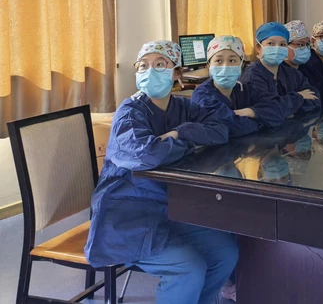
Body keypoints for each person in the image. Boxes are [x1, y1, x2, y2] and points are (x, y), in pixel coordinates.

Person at [85, 41, 240, 304]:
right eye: (143, 66)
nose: (150, 71)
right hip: (127, 214)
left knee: (225, 253)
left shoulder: (183, 107)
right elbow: (146, 155)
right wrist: (188, 143)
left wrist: (180, 132)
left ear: (177, 73)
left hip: (170, 207)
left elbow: (220, 130)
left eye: (160, 64)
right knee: (187, 268)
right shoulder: (129, 112)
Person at [191, 35, 286, 131]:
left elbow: (277, 111)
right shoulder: (202, 95)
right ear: (209, 65)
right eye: (218, 61)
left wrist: (249, 112)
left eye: (232, 60)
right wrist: (260, 121)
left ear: (241, 64)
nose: (225, 66)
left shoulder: (245, 90)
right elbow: (226, 126)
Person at [241, 22, 321, 117]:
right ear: (258, 48)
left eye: (282, 44)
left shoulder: (292, 74)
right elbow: (268, 110)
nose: (277, 48)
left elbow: (315, 99)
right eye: (271, 43)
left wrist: (287, 109)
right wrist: (298, 97)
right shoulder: (252, 76)